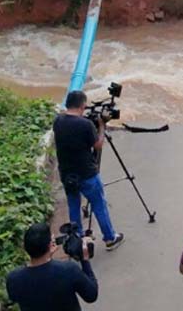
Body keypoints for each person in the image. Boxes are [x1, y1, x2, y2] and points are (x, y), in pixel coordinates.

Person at [54, 91, 125, 251]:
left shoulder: (58, 121)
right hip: (86, 174)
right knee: (99, 204)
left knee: (74, 205)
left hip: (67, 174)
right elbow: (98, 145)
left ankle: (77, 239)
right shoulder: (85, 125)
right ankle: (110, 238)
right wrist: (101, 126)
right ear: (82, 105)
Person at [6, 222, 98, 311]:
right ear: (50, 245)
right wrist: (85, 259)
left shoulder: (13, 279)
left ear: (24, 247)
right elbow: (91, 295)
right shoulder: (69, 270)